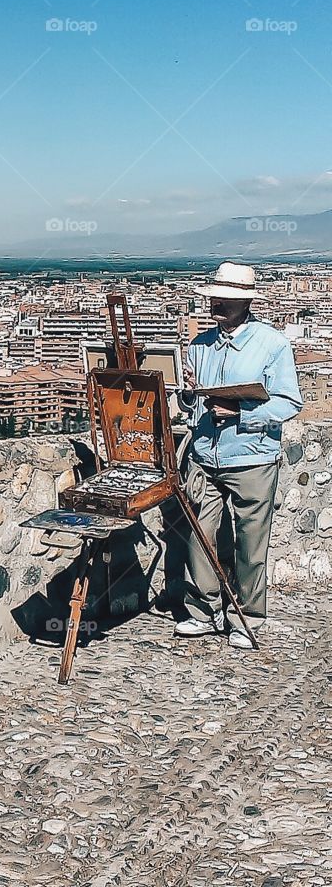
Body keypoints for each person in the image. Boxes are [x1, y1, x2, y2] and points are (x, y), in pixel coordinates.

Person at [175, 261, 302, 649]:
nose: (219, 304)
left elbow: (289, 401)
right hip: (204, 456)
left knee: (251, 543)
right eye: (217, 297)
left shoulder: (272, 344)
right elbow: (189, 405)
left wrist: (242, 413)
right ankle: (202, 610)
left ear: (246, 304)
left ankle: (247, 616)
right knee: (199, 535)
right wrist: (188, 393)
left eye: (228, 300)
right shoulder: (199, 346)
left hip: (251, 456)